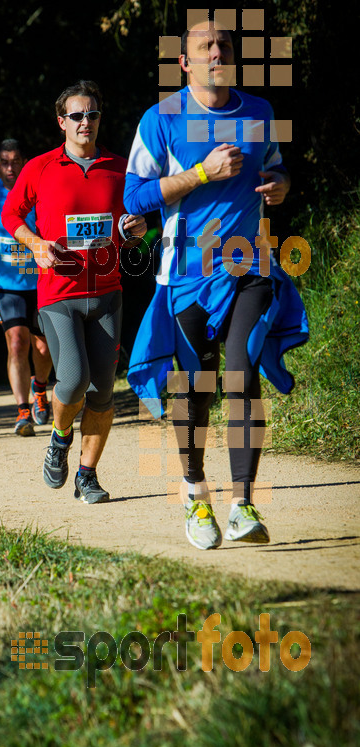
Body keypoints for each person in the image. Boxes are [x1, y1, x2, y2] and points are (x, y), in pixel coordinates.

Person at [124, 18, 309, 547]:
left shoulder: (258, 112)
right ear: (184, 62)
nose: (216, 52)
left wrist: (280, 185)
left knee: (240, 369)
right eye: (205, 47)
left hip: (249, 267)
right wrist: (203, 172)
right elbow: (135, 199)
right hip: (184, 276)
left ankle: (243, 504)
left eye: (224, 44)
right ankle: (195, 493)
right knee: (194, 387)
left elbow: (277, 169)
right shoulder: (161, 118)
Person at [3, 80, 147, 503]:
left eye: (93, 114)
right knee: (74, 378)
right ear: (62, 121)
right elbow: (11, 213)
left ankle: (87, 474)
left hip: (108, 291)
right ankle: (59, 437)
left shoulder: (122, 167)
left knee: (104, 390)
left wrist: (138, 231)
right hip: (58, 293)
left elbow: (137, 224)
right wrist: (34, 244)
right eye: (78, 115)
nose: (86, 121)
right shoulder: (41, 167)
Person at [0, 139, 52, 437]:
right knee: (17, 343)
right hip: (6, 284)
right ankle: (22, 411)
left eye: (16, 161)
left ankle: (40, 389)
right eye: (4, 162)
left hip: (42, 279)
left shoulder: (39, 186)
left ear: (24, 162)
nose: (10, 167)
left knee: (42, 347)